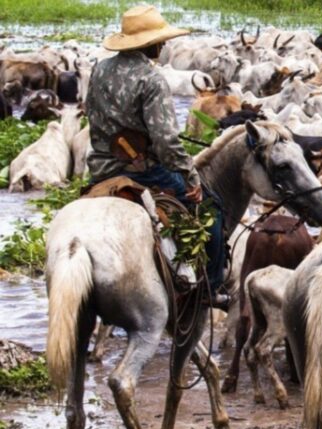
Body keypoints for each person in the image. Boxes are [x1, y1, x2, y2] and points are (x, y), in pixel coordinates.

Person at [86, 5, 226, 306]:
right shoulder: (151, 80)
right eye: (160, 41)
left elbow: (92, 117)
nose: (163, 46)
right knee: (213, 210)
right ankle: (211, 289)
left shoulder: (99, 70)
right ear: (153, 44)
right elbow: (165, 142)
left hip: (99, 169)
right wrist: (190, 175)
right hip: (143, 172)